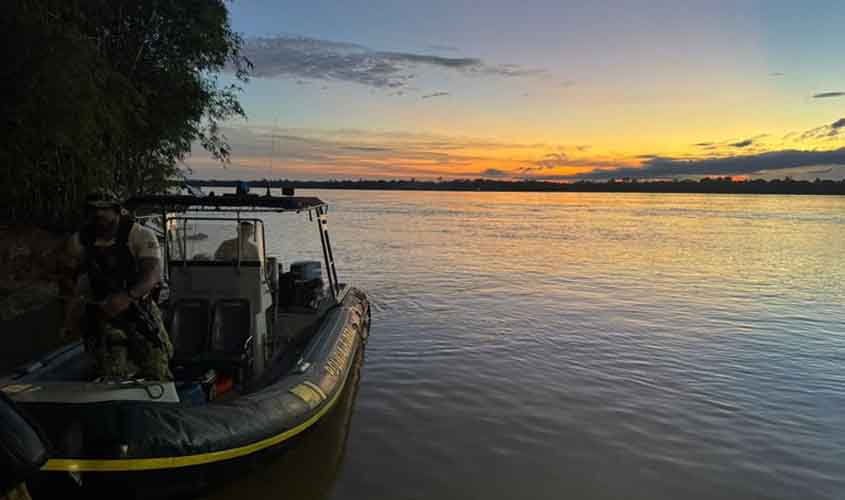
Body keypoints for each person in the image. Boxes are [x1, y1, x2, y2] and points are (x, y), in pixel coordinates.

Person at [61, 190, 174, 381]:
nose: (99, 215)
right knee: (107, 369)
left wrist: (127, 297)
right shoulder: (79, 241)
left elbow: (152, 274)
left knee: (157, 362)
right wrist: (70, 316)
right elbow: (69, 281)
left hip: (138, 307)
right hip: (100, 310)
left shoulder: (139, 235)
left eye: (104, 209)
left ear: (116, 210)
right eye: (93, 210)